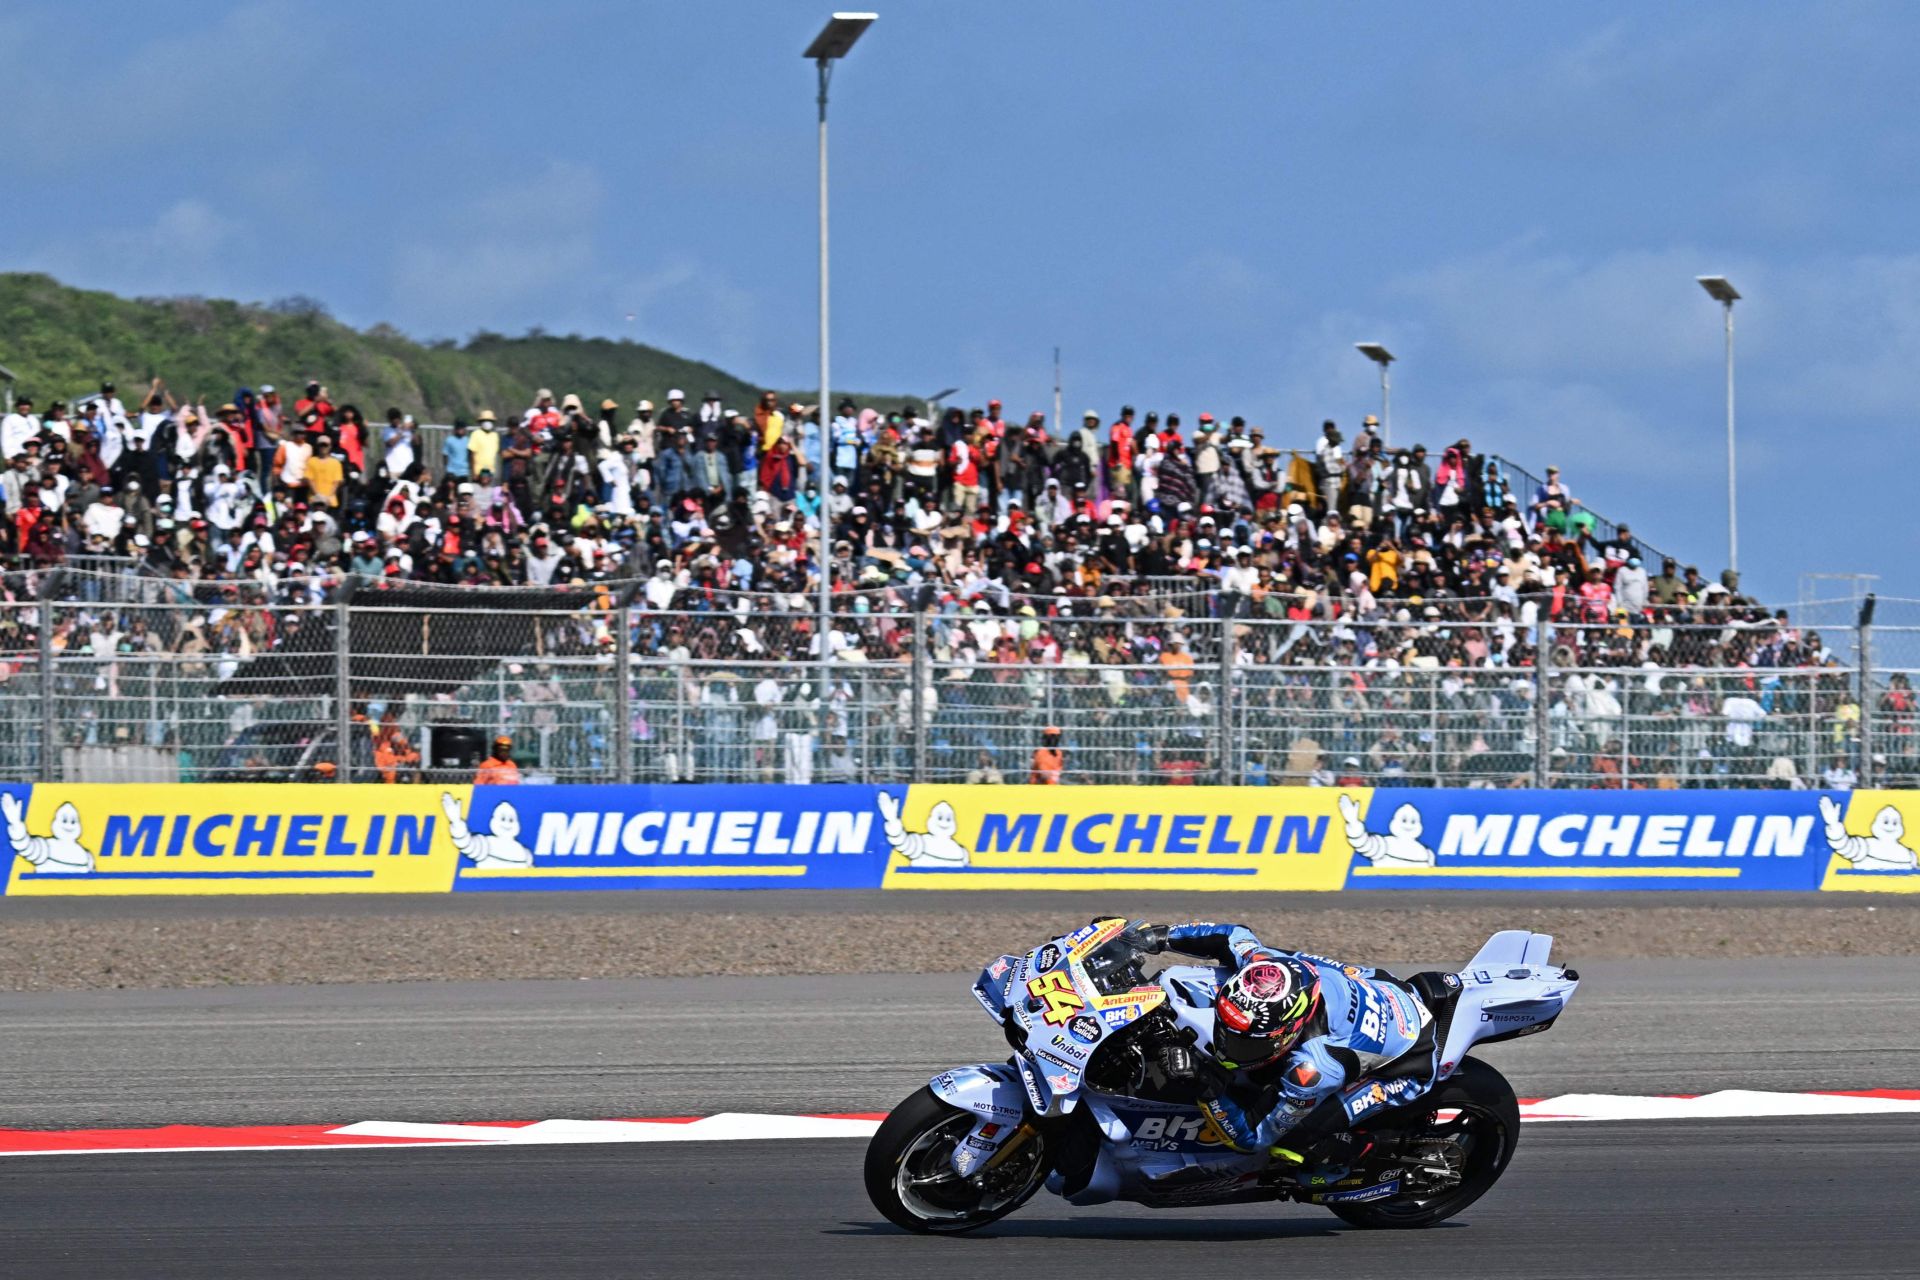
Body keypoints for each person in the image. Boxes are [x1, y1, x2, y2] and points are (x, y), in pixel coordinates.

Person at [1130, 920, 1440, 1183]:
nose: (1227, 1046)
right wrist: (1155, 937)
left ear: (1288, 1032)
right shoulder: (1263, 967)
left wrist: (1206, 1087)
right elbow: (1232, 934)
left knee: (1290, 1144)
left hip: (1410, 1061)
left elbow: (1252, 1137)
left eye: (1246, 1042)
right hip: (1372, 987)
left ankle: (1348, 1159)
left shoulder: (1314, 1069)